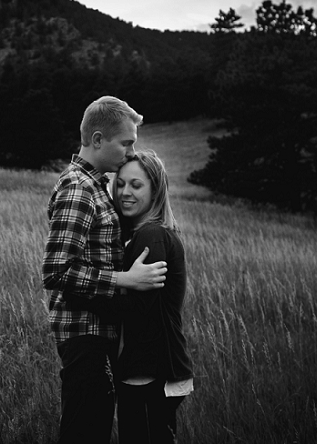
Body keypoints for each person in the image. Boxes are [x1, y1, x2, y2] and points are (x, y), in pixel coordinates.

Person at [42, 96, 168, 444]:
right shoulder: (78, 189)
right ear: (98, 140)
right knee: (83, 433)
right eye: (126, 143)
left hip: (98, 334)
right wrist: (123, 279)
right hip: (85, 337)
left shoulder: (94, 186)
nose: (130, 153)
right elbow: (56, 272)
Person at [68, 149, 193, 444]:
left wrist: (82, 293)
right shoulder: (140, 235)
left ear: (155, 190)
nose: (125, 192)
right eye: (120, 184)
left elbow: (138, 308)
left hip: (151, 371)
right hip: (143, 368)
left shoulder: (152, 235)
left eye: (136, 185)